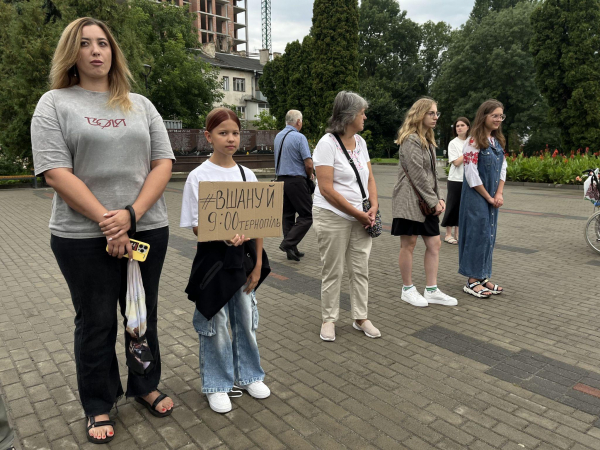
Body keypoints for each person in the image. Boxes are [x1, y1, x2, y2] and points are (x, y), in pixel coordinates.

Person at [31, 17, 175, 444]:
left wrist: (131, 214)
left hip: (147, 227)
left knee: (139, 315)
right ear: (71, 54)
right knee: (95, 322)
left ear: (114, 52)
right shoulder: (54, 104)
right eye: (85, 44)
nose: (96, 51)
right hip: (80, 237)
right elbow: (56, 172)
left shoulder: (141, 105)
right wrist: (108, 221)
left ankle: (144, 384)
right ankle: (98, 403)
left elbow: (162, 163)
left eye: (103, 44)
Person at [181, 107, 271, 414]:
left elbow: (260, 224)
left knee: (245, 320)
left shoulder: (248, 174)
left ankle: (249, 375)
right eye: (223, 133)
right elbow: (196, 225)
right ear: (208, 136)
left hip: (242, 261)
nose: (230, 138)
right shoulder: (198, 177)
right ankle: (217, 383)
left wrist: (258, 264)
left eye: (235, 132)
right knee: (215, 323)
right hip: (213, 261)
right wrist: (222, 233)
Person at [312, 91, 381, 342]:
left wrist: (372, 206)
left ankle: (360, 317)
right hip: (332, 215)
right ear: (350, 115)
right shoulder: (327, 143)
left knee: (360, 268)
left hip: (361, 216)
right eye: (362, 112)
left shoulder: (360, 142)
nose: (365, 116)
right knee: (333, 269)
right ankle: (329, 319)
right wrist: (358, 214)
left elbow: (370, 178)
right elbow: (326, 189)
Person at [392, 97, 457, 308]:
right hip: (410, 201)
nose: (436, 117)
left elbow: (432, 174)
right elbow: (417, 174)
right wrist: (433, 200)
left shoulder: (427, 140)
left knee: (434, 243)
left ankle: (431, 289)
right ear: (420, 114)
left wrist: (439, 198)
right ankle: (408, 289)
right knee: (408, 244)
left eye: (437, 113)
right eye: (431, 113)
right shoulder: (410, 139)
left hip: (426, 202)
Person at [459, 100, 506, 298]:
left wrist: (499, 193)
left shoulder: (497, 141)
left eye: (501, 116)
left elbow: (503, 168)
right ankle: (472, 280)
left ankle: (483, 276)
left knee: (489, 235)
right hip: (476, 196)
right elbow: (471, 175)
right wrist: (488, 196)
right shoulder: (472, 142)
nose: (498, 119)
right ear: (484, 116)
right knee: (477, 234)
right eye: (494, 115)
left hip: (492, 197)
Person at [274, 110, 314, 261]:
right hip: (296, 181)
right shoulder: (299, 137)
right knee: (308, 214)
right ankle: (288, 243)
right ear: (298, 122)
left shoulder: (278, 136)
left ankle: (291, 250)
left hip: (281, 180)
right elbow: (309, 164)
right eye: (301, 121)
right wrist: (310, 176)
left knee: (288, 215)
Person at [441, 117, 470, 244]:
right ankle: (448, 234)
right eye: (457, 126)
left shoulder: (471, 142)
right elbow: (457, 162)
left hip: (468, 179)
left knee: (463, 207)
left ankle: (458, 234)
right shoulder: (453, 143)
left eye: (462, 125)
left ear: (468, 127)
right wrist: (468, 152)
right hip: (455, 180)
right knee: (453, 206)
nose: (459, 127)